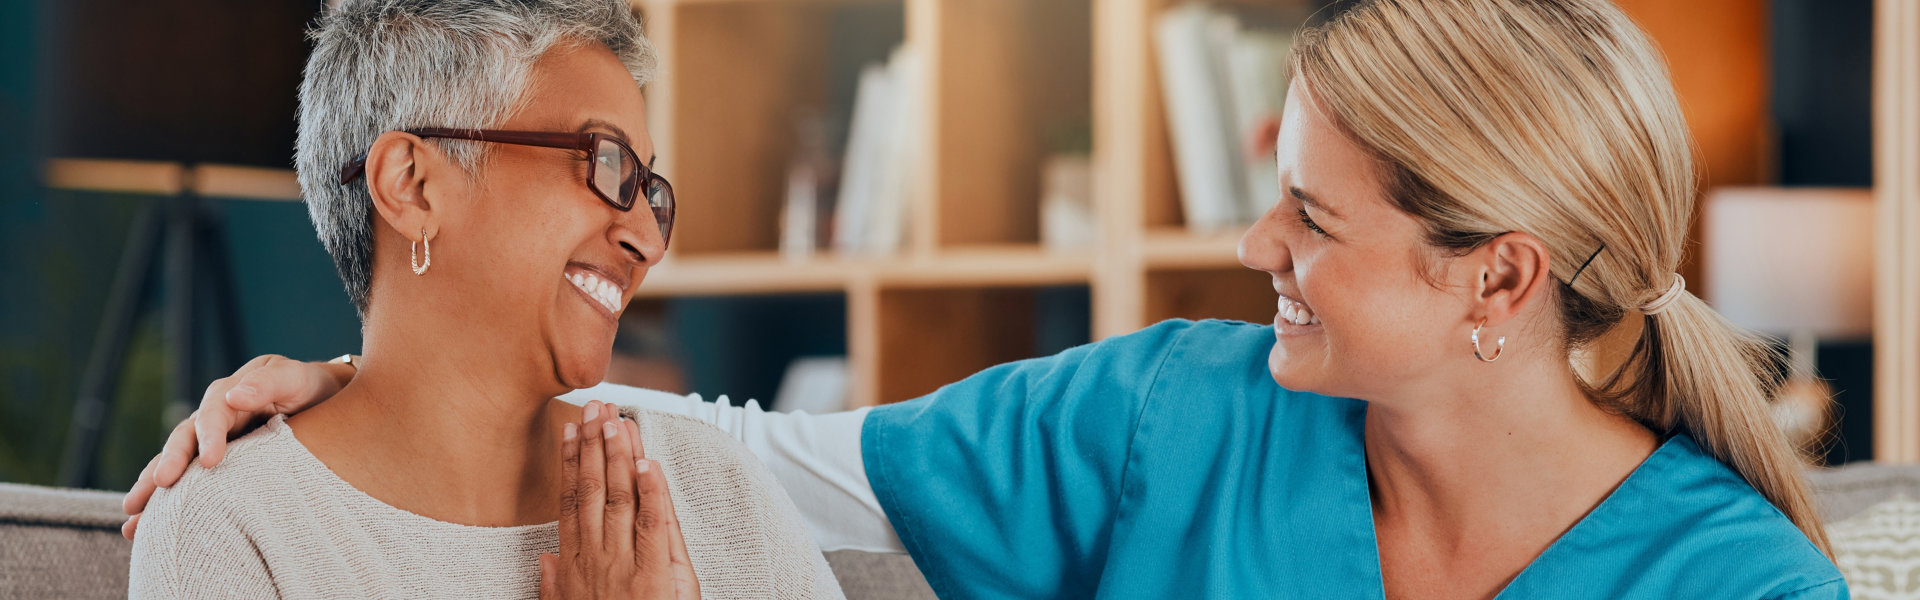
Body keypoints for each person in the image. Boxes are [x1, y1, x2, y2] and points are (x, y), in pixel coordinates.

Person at [126, 0, 1846, 597]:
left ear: (1499, 280)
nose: (1261, 250)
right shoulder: (1179, 414)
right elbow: (767, 459)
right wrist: (373, 389)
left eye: (1313, 217)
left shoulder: (1738, 587)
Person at [125, 1, 843, 598]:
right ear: (413, 185)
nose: (648, 240)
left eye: (650, 191)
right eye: (606, 164)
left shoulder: (717, 490)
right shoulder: (232, 528)